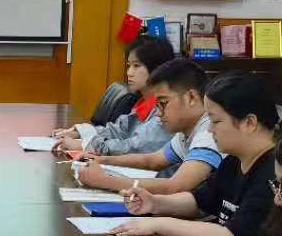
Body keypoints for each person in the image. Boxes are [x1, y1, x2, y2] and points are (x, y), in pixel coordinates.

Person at [109, 71, 282, 236]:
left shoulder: (274, 173)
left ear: (249, 123)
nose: (209, 129)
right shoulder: (234, 161)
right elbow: (199, 201)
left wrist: (158, 224)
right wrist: (155, 203)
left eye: (216, 121)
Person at [73, 58, 220, 196]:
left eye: (163, 103)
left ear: (191, 98)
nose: (158, 113)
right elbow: (152, 160)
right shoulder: (187, 131)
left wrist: (104, 181)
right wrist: (102, 160)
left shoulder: (209, 132)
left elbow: (176, 186)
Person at [51, 34, 175, 156]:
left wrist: (84, 145)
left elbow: (134, 148)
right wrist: (80, 133)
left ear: (157, 69)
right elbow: (119, 131)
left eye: (136, 66)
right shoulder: (143, 102)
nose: (129, 73)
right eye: (128, 65)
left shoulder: (165, 110)